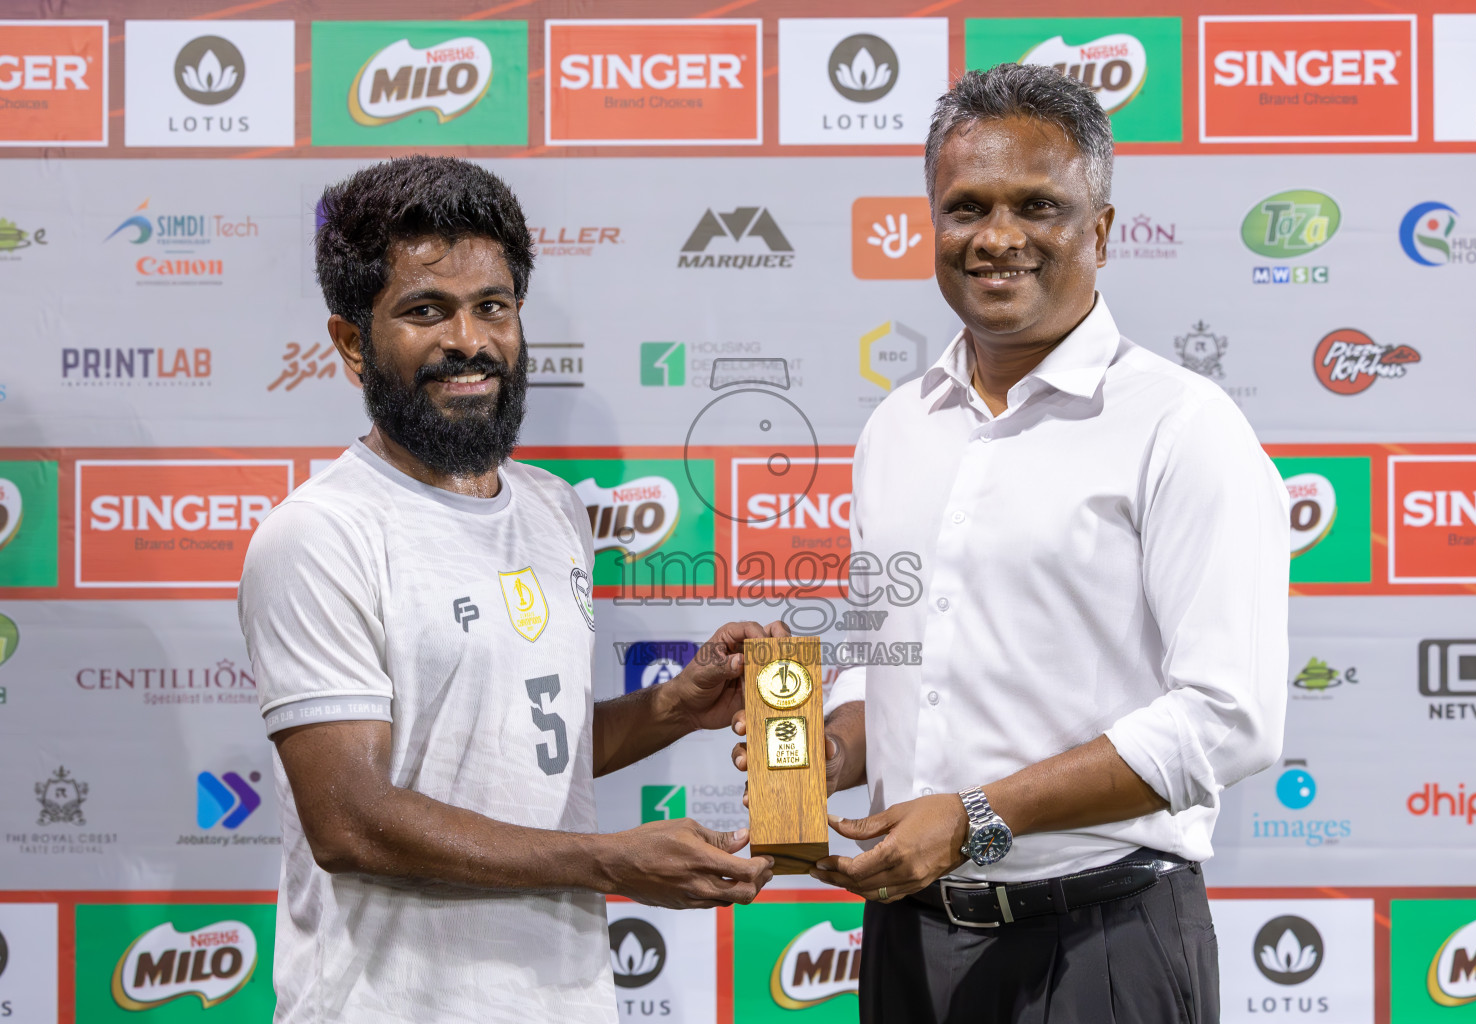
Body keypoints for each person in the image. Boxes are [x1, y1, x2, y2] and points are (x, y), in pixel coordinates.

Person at [734, 64, 1289, 1023]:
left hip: (1103, 945)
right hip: (909, 937)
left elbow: (1229, 717)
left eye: (1039, 205)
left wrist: (978, 817)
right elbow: (885, 668)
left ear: (1102, 232)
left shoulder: (1181, 425)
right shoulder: (897, 427)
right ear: (932, 224)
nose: (998, 239)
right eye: (966, 207)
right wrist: (820, 748)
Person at [238, 155, 776, 1024]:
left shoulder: (555, 509)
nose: (469, 341)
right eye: (425, 310)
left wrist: (676, 704)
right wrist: (609, 861)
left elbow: (516, 756)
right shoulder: (320, 534)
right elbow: (352, 823)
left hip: (564, 1000)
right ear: (350, 342)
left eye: (493, 306)